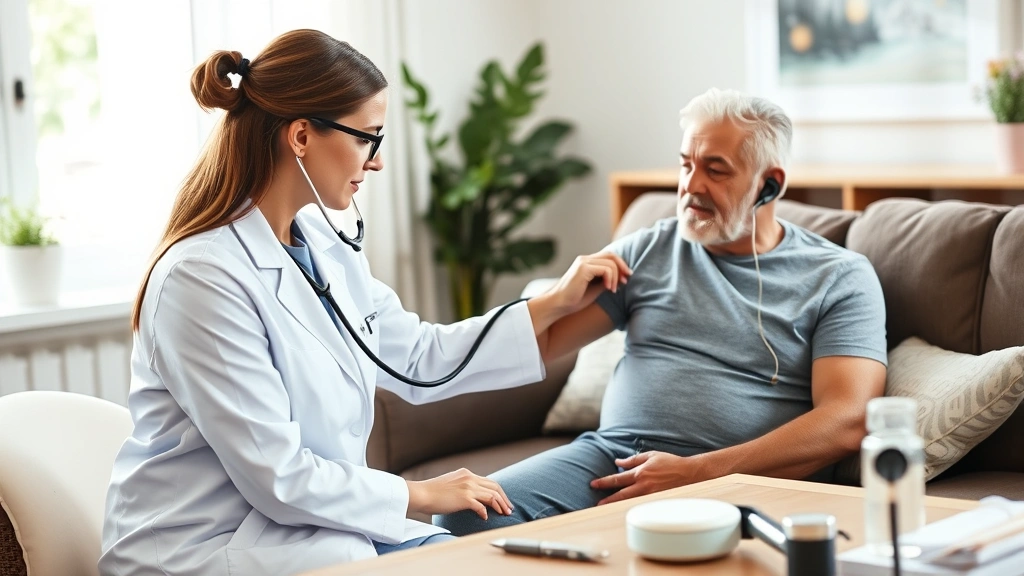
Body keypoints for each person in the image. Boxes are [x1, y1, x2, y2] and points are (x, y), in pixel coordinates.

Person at [98, 29, 629, 576]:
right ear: (301, 136)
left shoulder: (323, 245)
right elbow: (278, 476)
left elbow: (417, 357)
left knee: (500, 561)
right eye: (367, 138)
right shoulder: (201, 279)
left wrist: (552, 304)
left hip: (306, 531)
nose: (375, 162)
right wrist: (420, 494)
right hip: (202, 548)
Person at [436, 88, 888, 536]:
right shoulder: (651, 248)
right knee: (464, 512)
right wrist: (555, 297)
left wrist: (697, 472)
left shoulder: (838, 276)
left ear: (768, 185)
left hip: (742, 477)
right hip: (614, 458)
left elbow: (848, 419)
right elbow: (542, 343)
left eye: (715, 169)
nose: (691, 186)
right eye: (686, 164)